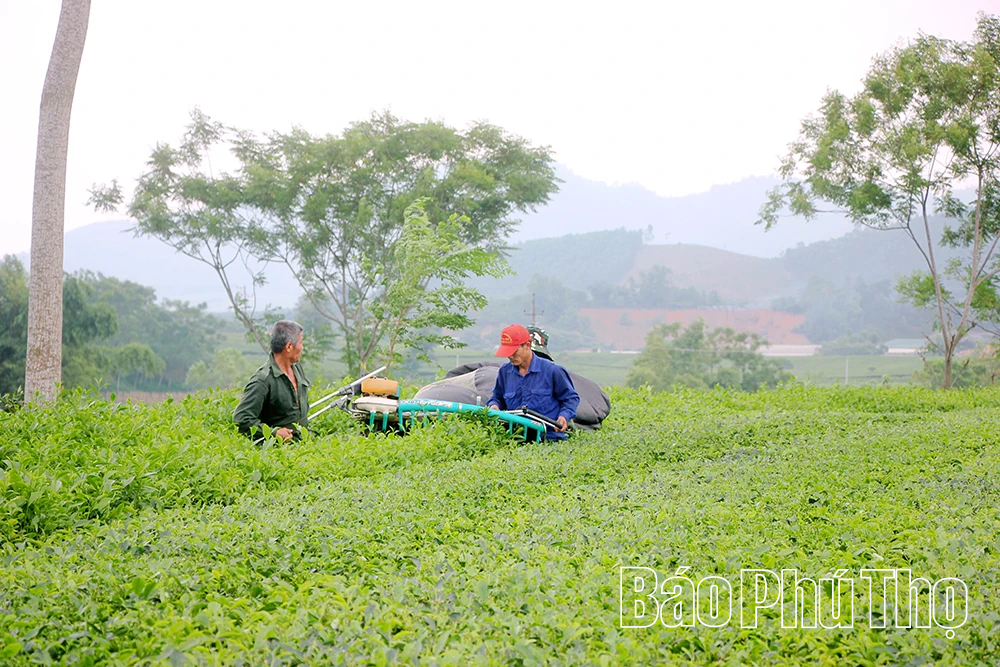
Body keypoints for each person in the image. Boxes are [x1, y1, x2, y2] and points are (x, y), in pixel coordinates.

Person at [486, 324, 580, 440]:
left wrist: (563, 416)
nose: (510, 356)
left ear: (527, 345)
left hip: (549, 437)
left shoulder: (552, 371)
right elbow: (497, 397)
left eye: (514, 351)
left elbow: (571, 398)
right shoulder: (504, 372)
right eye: (507, 352)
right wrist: (494, 406)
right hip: (515, 437)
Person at [233, 320, 310, 442]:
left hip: (304, 446)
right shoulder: (262, 380)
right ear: (289, 347)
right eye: (301, 342)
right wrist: (274, 433)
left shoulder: (296, 367)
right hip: (279, 454)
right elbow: (242, 418)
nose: (302, 347)